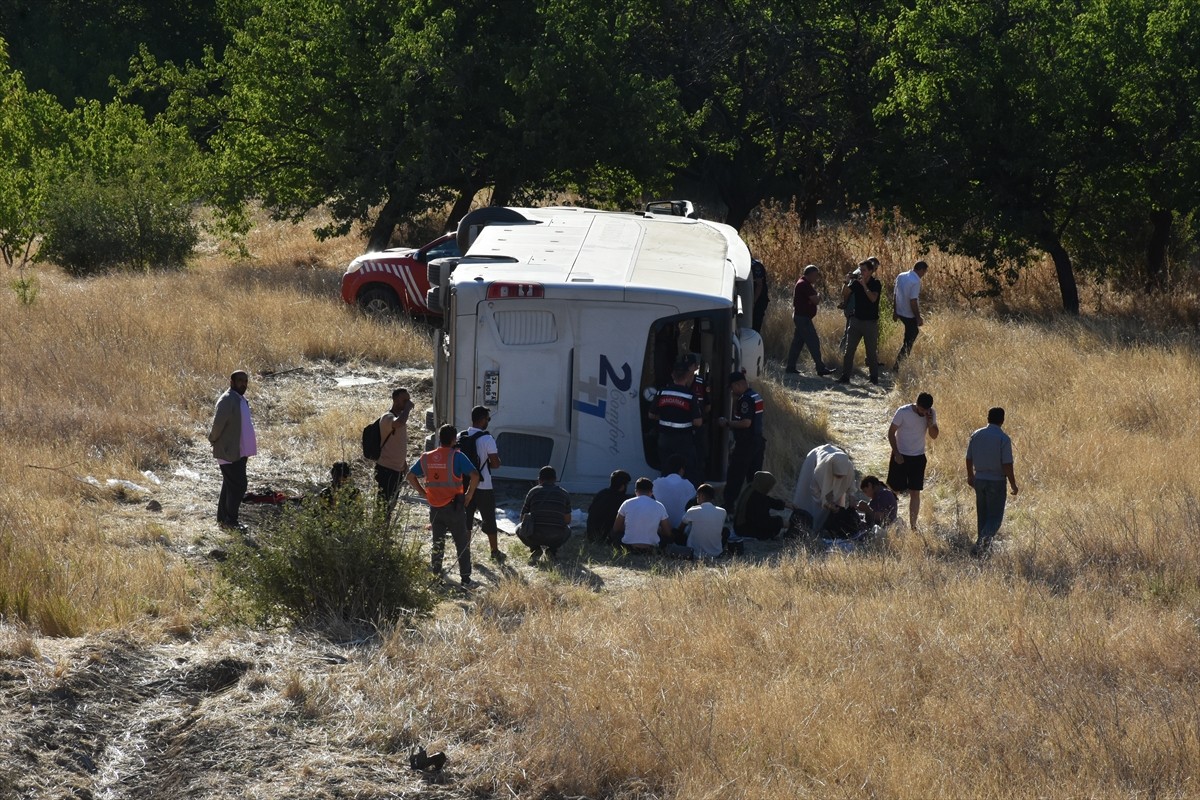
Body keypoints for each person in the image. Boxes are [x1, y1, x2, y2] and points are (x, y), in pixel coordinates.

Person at [406, 424, 480, 588]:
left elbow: (410, 476)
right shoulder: (457, 456)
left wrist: (422, 493)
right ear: (454, 439)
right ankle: (466, 579)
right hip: (455, 508)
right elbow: (475, 475)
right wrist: (469, 495)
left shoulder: (426, 457)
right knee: (461, 543)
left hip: (435, 508)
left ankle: (436, 577)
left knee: (437, 543)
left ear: (440, 438)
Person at [208, 369, 257, 532]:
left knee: (230, 485)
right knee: (239, 485)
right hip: (229, 451)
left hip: (239, 451)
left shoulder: (240, 399)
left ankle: (223, 519)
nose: (244, 384)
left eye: (246, 381)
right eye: (240, 380)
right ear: (232, 382)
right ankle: (231, 521)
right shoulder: (228, 399)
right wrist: (213, 439)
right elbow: (218, 424)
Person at [965, 407, 1019, 556]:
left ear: (988, 418)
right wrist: (1013, 484)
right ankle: (981, 545)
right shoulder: (1003, 439)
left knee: (982, 516)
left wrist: (970, 475)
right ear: (1002, 420)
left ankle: (982, 549)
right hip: (996, 481)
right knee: (995, 518)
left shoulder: (976, 434)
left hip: (979, 479)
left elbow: (968, 457)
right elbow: (1007, 464)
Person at [887, 392, 940, 529]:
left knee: (915, 492)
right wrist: (897, 453)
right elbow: (891, 432)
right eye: (921, 409)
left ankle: (913, 525)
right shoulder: (903, 411)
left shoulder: (931, 414)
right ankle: (890, 521)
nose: (923, 412)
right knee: (894, 490)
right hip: (900, 455)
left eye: (926, 410)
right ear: (916, 404)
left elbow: (934, 436)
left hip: (918, 457)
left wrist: (930, 423)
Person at [462, 405, 505, 564]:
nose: (488, 421)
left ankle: (465, 551)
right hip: (483, 485)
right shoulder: (487, 439)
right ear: (482, 420)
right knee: (489, 519)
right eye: (488, 418)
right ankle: (494, 552)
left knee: (466, 519)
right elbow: (495, 464)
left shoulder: (461, 436)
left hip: (465, 485)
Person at [648, 359, 703, 479]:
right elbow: (697, 422)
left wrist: (665, 417)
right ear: (687, 376)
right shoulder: (690, 395)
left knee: (666, 468)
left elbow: (651, 415)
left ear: (673, 375)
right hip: (683, 441)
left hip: (664, 439)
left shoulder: (661, 393)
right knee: (686, 470)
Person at [718, 371, 765, 509]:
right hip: (758, 442)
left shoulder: (745, 399)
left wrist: (727, 423)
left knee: (735, 475)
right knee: (754, 478)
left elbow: (745, 422)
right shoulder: (755, 396)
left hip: (746, 444)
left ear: (738, 384)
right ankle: (753, 507)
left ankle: (728, 505)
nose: (732, 391)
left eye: (732, 387)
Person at [791, 444, 855, 534]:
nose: (839, 479)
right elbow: (814, 489)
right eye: (837, 475)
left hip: (832, 464)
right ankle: (808, 526)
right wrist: (826, 503)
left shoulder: (848, 466)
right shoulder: (822, 468)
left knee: (836, 504)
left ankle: (824, 526)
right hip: (813, 460)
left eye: (841, 476)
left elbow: (850, 482)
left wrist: (852, 497)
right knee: (810, 504)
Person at [838, 259, 882, 385]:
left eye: (864, 270)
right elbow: (845, 293)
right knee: (849, 351)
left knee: (871, 353)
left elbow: (873, 298)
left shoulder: (876, 283)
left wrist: (864, 285)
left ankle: (874, 378)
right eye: (860, 270)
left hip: (870, 323)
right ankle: (845, 377)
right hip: (856, 320)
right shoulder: (856, 283)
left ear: (870, 271)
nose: (861, 272)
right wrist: (846, 282)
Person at [785, 265, 834, 376]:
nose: (816, 278)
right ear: (811, 274)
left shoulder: (803, 283)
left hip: (800, 317)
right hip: (803, 318)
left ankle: (790, 367)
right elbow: (816, 300)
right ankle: (820, 368)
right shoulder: (804, 284)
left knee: (797, 343)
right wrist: (819, 296)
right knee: (813, 342)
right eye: (815, 275)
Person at [519, 466, 573, 565]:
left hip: (534, 535)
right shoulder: (564, 494)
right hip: (556, 536)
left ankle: (535, 548)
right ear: (555, 479)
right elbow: (568, 520)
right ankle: (552, 550)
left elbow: (522, 518)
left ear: (539, 480)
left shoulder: (533, 491)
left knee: (518, 529)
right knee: (568, 530)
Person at [375, 387, 413, 513]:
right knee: (383, 506)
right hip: (386, 469)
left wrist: (404, 465)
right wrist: (407, 408)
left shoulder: (401, 419)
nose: (408, 403)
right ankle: (379, 530)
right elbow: (399, 423)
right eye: (405, 400)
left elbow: (397, 445)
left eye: (409, 400)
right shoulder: (388, 418)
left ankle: (384, 530)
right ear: (395, 400)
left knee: (390, 506)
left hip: (397, 470)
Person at [613, 477, 671, 552]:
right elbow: (667, 532)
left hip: (628, 546)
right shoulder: (659, 506)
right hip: (651, 547)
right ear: (651, 492)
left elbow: (616, 528)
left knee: (614, 533)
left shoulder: (627, 503)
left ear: (636, 491)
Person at [732, 471, 794, 540]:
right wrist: (782, 523)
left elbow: (768, 501)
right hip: (744, 530)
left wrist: (786, 505)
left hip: (739, 527)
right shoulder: (756, 499)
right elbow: (763, 522)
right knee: (774, 527)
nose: (770, 489)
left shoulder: (751, 489)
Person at [893, 260, 929, 370]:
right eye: (925, 272)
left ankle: (899, 364)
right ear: (921, 270)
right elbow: (913, 301)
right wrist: (918, 317)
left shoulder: (901, 275)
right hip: (909, 314)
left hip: (900, 311)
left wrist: (895, 311)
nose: (924, 274)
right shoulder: (916, 281)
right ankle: (899, 365)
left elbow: (895, 294)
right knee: (910, 339)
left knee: (909, 336)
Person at [652, 454, 697, 538]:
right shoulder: (688, 485)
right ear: (681, 469)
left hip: (661, 528)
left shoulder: (656, 483)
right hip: (680, 528)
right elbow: (694, 499)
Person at [683, 483, 728, 558]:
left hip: (695, 553)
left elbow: (681, 527)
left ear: (702, 496)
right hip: (716, 553)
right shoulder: (723, 511)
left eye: (697, 496)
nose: (697, 498)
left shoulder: (692, 510)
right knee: (725, 531)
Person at [586, 470, 631, 544]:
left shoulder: (601, 493)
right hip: (607, 537)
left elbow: (590, 510)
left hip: (591, 534)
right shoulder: (624, 500)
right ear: (623, 486)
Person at [750, 256, 770, 333]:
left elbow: (759, 284)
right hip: (752, 299)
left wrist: (753, 302)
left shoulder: (755, 266)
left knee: (755, 324)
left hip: (758, 300)